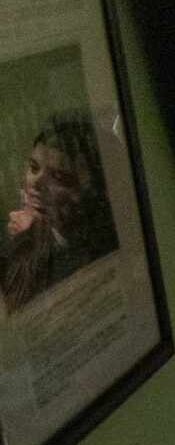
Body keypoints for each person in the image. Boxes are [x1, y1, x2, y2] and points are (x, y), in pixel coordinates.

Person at [3, 114, 117, 311]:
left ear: (91, 191)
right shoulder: (27, 241)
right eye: (33, 167)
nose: (36, 182)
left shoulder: (108, 246)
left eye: (59, 177)